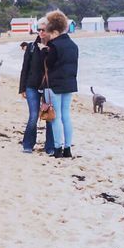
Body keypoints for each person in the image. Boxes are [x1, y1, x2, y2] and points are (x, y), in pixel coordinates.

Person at [40, 11, 79, 159]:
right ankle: (68, 148)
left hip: (54, 85)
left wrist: (45, 52)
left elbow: (48, 64)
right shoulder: (73, 46)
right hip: (69, 83)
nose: (49, 35)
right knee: (66, 116)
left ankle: (57, 148)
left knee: (55, 117)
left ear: (55, 31)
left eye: (50, 33)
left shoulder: (54, 46)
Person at [17, 37, 55, 154]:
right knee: (33, 116)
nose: (42, 32)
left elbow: (55, 67)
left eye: (44, 29)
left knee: (49, 116)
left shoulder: (53, 47)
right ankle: (28, 145)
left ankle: (50, 147)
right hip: (31, 86)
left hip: (48, 87)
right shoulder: (31, 47)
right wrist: (22, 88)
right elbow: (25, 68)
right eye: (40, 30)